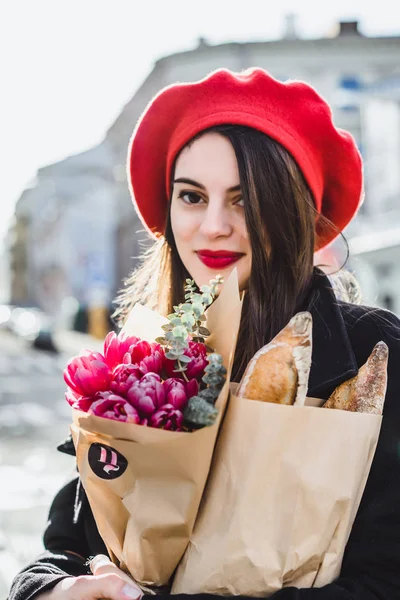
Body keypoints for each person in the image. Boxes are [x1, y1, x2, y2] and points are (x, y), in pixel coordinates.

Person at [8, 68, 400, 600]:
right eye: (192, 197)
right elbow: (63, 548)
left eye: (244, 199)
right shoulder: (143, 363)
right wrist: (58, 591)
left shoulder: (371, 356)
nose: (213, 224)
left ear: (295, 214)